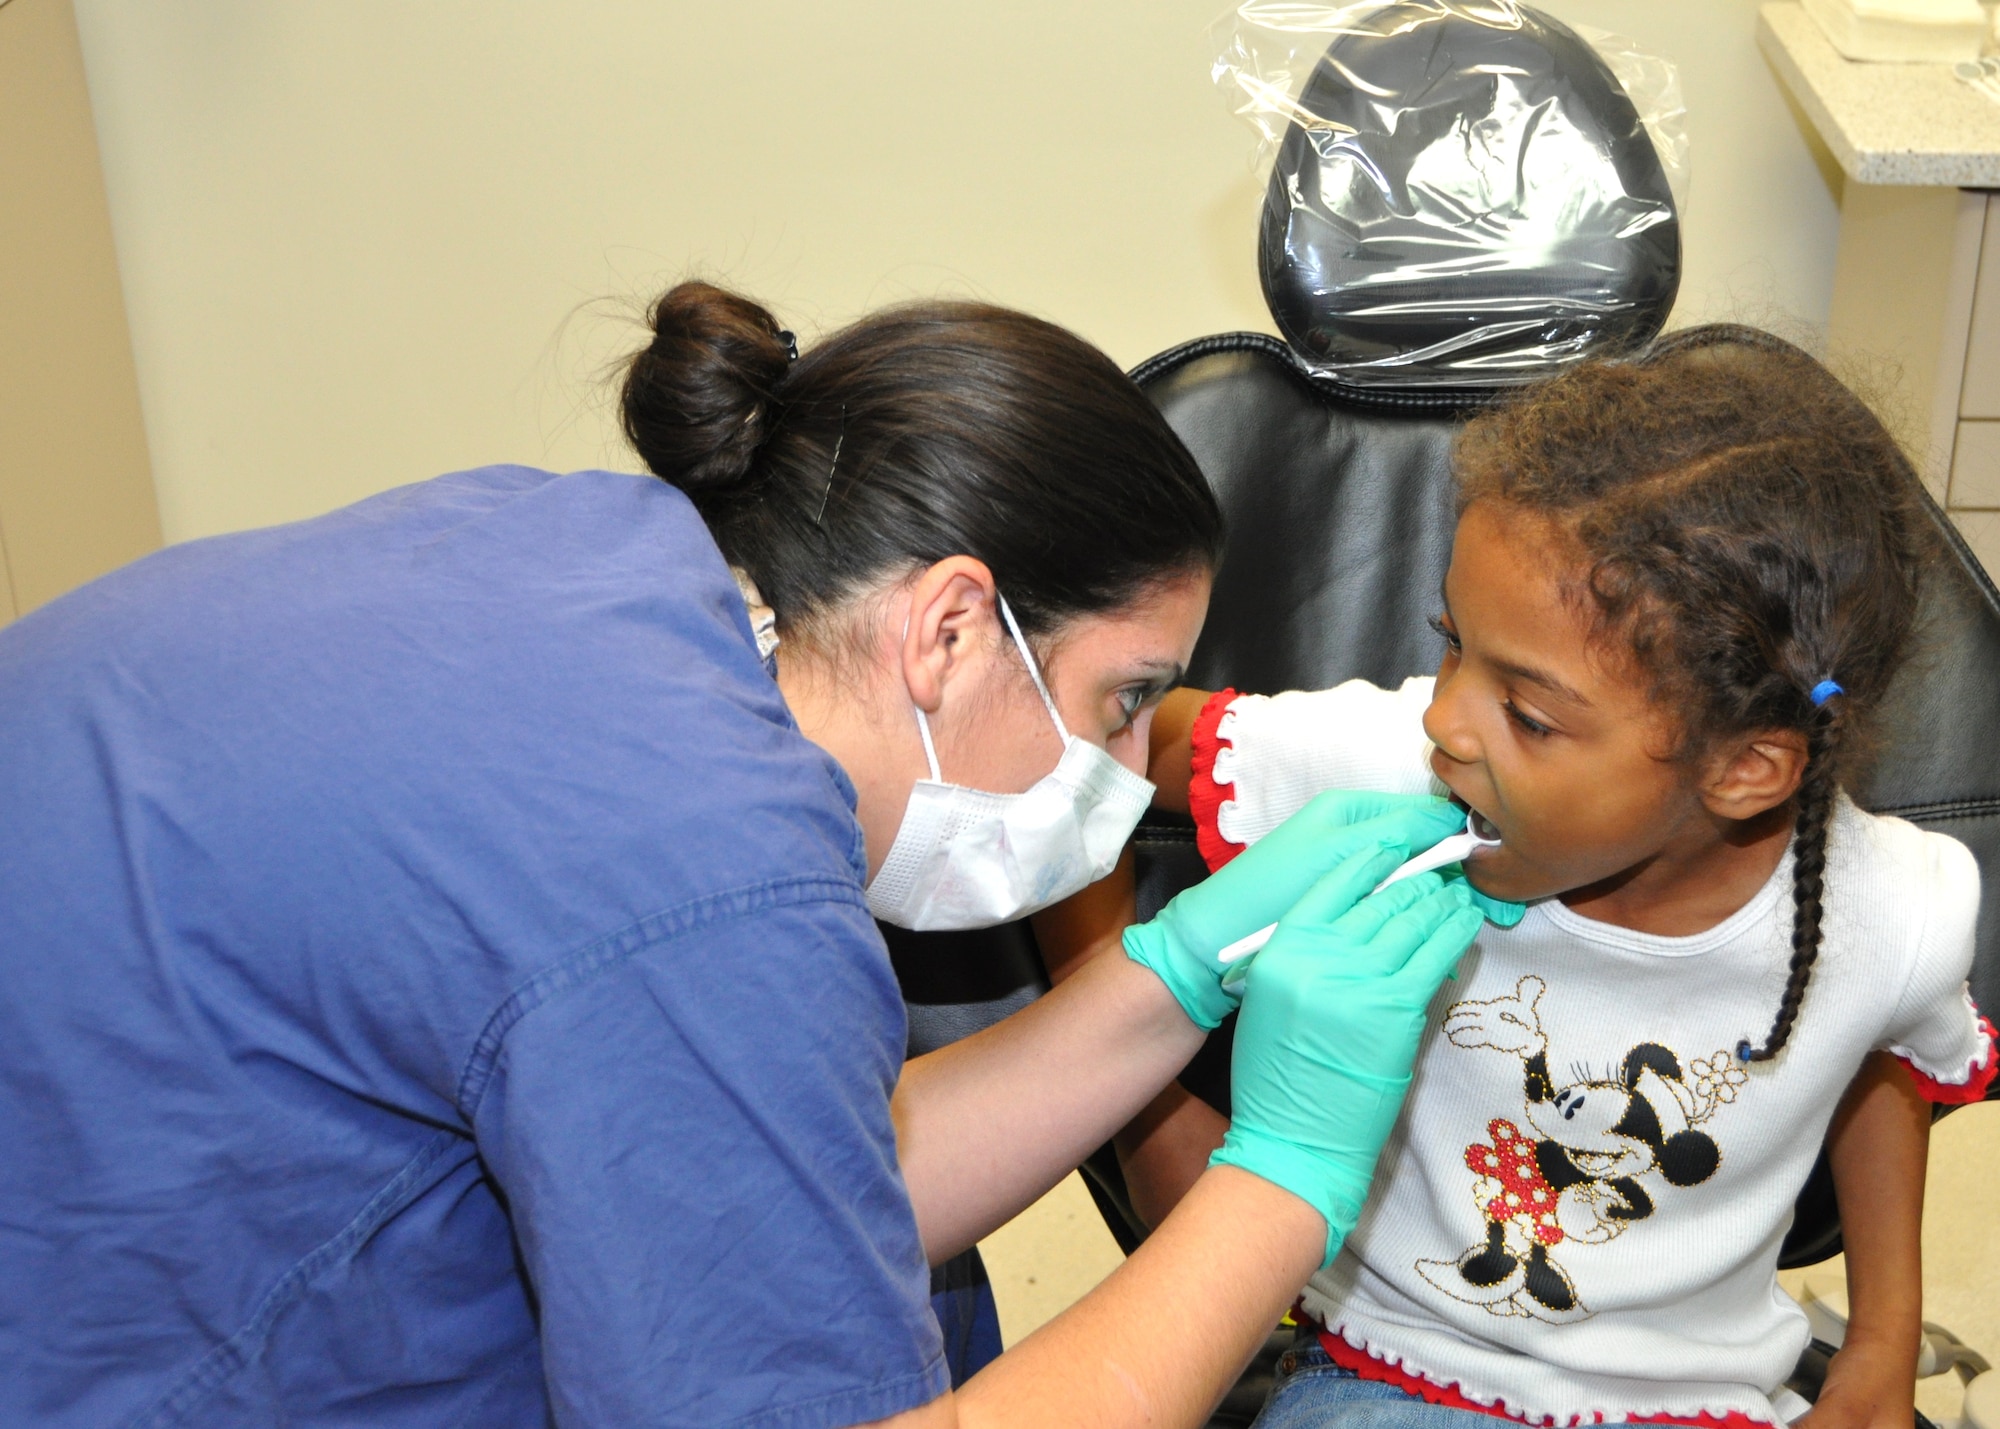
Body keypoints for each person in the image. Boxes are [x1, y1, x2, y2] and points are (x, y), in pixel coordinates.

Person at [0, 280, 1490, 1429]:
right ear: (952, 627)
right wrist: (1285, 1171)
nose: (1121, 773)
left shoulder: (593, 562)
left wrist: (1175, 974)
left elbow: (775, 1186)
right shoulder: (705, 873)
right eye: (1116, 701)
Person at [1051, 328, 1995, 1428]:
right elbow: (1083, 731)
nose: (1445, 719)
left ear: (1744, 769)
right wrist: (1130, 1087)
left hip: (1704, 1401)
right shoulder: (1393, 760)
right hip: (1395, 1367)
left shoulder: (1889, 907)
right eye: (1450, 644)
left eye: (1530, 715)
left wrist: (1878, 1349)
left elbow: (1880, 1051)